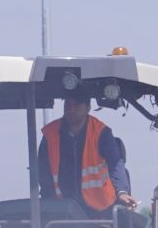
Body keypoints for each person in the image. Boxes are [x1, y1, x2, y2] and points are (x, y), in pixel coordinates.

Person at [34, 88, 135, 219]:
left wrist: (122, 192)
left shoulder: (101, 133)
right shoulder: (50, 134)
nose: (71, 110)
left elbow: (116, 164)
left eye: (76, 106)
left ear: (88, 108)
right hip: (62, 210)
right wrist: (49, 200)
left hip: (100, 210)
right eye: (68, 105)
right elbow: (42, 171)